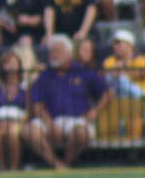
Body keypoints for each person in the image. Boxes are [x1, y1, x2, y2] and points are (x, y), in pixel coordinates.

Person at [27, 35, 110, 169]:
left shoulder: (82, 71)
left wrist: (95, 112)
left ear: (69, 54)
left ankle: (66, 162)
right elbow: (37, 105)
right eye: (52, 52)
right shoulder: (44, 75)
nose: (53, 55)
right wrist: (51, 125)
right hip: (50, 119)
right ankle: (55, 163)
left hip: (76, 119)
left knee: (81, 133)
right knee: (29, 131)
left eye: (58, 51)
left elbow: (108, 92)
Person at [101, 29, 145, 141]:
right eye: (114, 44)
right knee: (117, 80)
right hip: (117, 100)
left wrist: (122, 68)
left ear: (130, 44)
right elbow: (108, 76)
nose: (115, 46)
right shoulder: (110, 60)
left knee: (121, 79)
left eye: (119, 43)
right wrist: (128, 70)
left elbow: (142, 73)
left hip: (139, 99)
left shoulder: (143, 59)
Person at [0, 49, 30, 171]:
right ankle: (1, 167)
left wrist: (20, 123)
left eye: (14, 63)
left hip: (18, 122)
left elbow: (29, 111)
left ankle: (14, 167)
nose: (11, 66)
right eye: (8, 63)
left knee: (13, 133)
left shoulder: (25, 86)